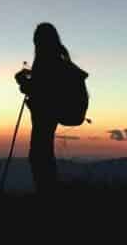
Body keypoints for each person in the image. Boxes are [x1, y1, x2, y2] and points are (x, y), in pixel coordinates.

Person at [15, 23, 82, 193]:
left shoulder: (46, 61)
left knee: (39, 155)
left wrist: (22, 82)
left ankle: (47, 192)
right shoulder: (57, 60)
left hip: (45, 114)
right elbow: (44, 88)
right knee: (43, 153)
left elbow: (40, 91)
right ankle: (48, 191)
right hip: (51, 113)